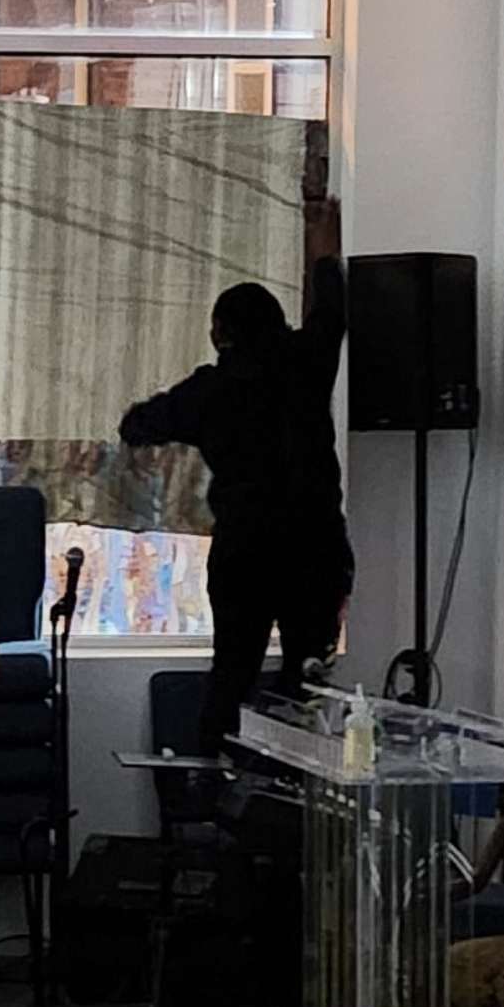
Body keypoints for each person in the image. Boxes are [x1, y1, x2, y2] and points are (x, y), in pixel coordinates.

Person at [121, 248, 351, 761]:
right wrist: (321, 242)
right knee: (310, 679)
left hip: (245, 550)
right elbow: (332, 306)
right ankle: (302, 794)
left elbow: (136, 426)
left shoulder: (211, 390)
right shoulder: (308, 361)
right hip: (315, 547)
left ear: (221, 332)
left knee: (232, 672)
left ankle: (213, 786)